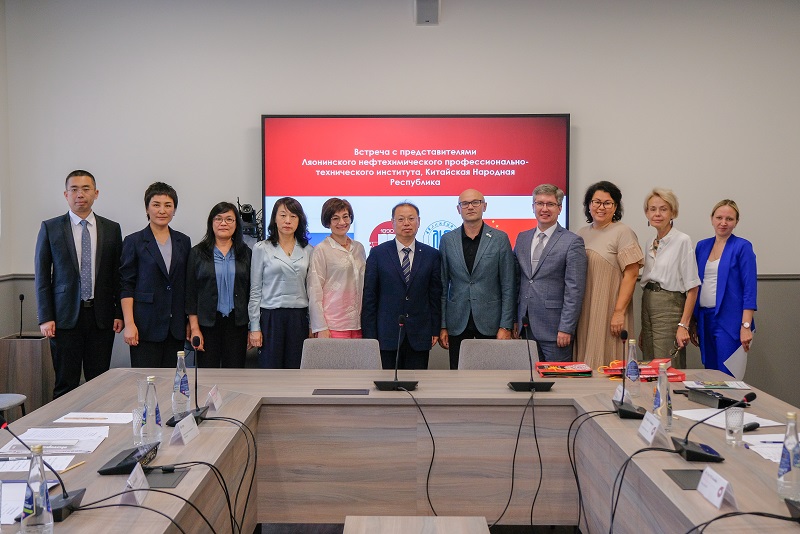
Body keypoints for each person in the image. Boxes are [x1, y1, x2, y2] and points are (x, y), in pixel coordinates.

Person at [34, 170, 123, 398]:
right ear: (66, 195)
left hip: (101, 317)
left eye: (85, 189)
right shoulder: (51, 227)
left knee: (100, 382)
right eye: (74, 189)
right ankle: (63, 422)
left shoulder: (112, 229)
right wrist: (45, 317)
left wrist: (119, 313)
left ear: (96, 193)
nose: (80, 194)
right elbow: (42, 276)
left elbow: (117, 275)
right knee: (65, 383)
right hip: (64, 318)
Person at [438, 189, 516, 369]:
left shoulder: (500, 239)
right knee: (458, 374)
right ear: (458, 209)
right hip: (457, 321)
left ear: (484, 206)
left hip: (491, 322)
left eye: (475, 202)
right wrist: (443, 325)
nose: (470, 207)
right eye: (465, 203)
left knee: (490, 376)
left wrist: (506, 325)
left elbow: (508, 285)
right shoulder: (447, 240)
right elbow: (442, 285)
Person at [362, 202, 442, 370]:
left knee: (417, 383)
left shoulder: (431, 255)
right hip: (386, 334)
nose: (406, 223)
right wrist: (369, 335)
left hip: (420, 333)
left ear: (419, 222)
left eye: (411, 218)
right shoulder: (378, 254)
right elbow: (370, 297)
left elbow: (435, 295)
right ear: (392, 223)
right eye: (401, 219)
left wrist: (435, 329)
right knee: (386, 383)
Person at [120, 182, 191, 368]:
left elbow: (186, 285)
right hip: (145, 325)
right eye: (156, 204)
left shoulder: (183, 241)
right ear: (147, 208)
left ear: (174, 210)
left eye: (168, 205)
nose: (162, 210)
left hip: (175, 326)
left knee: (173, 380)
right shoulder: (134, 241)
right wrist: (129, 323)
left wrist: (189, 322)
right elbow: (126, 285)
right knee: (146, 379)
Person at [574, 181, 644, 368]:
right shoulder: (581, 234)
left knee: (608, 361)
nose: (601, 207)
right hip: (585, 311)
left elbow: (631, 275)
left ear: (615, 206)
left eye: (607, 203)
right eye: (596, 202)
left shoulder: (623, 232)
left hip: (609, 308)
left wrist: (619, 312)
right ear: (589, 205)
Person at [515, 184, 587, 362]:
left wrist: (566, 328)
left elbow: (574, 290)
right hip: (526, 327)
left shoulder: (572, 242)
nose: (544, 209)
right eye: (539, 203)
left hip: (555, 330)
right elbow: (517, 281)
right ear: (533, 207)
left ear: (559, 208)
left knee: (558, 378)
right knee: (528, 376)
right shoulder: (522, 238)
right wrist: (514, 321)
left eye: (550, 204)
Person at [691, 200, 757, 376]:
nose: (723, 222)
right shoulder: (702, 246)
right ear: (712, 219)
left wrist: (745, 325)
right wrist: (693, 321)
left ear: (736, 222)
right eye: (719, 217)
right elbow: (695, 284)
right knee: (710, 374)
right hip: (705, 318)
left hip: (730, 321)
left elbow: (749, 289)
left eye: (729, 219)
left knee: (728, 376)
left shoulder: (742, 247)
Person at [248, 197, 313, 369]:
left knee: (297, 371)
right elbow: (255, 290)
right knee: (270, 370)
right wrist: (254, 327)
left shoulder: (308, 250)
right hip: (271, 318)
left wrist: (312, 325)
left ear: (299, 220)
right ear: (274, 219)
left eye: (293, 216)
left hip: (298, 318)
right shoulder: (261, 248)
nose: (287, 221)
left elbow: (311, 291)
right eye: (283, 215)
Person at [185, 202, 252, 368]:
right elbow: (191, 293)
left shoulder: (246, 253)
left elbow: (251, 292)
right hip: (207, 324)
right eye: (218, 219)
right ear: (211, 223)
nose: (224, 223)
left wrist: (252, 328)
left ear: (236, 224)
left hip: (237, 324)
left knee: (235, 373)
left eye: (229, 219)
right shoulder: (197, 253)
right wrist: (194, 328)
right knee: (207, 375)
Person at [639, 189, 700, 367]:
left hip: (669, 305)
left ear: (673, 213)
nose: (657, 214)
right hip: (648, 302)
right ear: (647, 213)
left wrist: (684, 325)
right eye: (652, 209)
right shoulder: (649, 242)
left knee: (666, 364)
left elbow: (693, 288)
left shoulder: (682, 240)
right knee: (649, 362)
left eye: (663, 209)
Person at [307, 198, 366, 339]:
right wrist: (321, 326)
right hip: (333, 325)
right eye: (335, 218)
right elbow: (314, 290)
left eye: (345, 217)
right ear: (328, 222)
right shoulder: (321, 250)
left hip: (359, 323)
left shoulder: (359, 248)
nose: (342, 222)